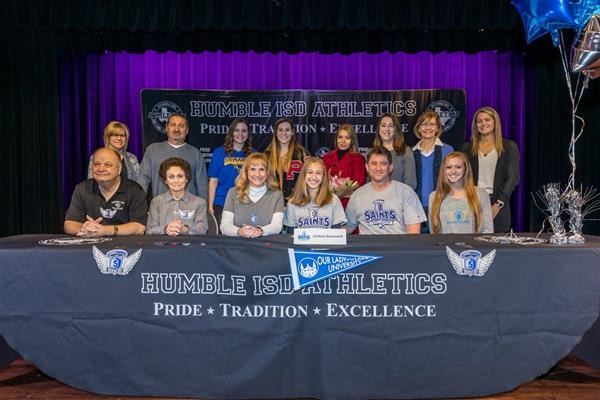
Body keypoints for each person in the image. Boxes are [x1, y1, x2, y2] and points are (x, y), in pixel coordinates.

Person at [64, 148, 147, 237]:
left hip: (124, 247)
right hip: (90, 245)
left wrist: (105, 230)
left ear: (119, 169)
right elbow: (69, 224)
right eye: (96, 164)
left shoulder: (135, 190)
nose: (101, 168)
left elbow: (139, 227)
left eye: (108, 165)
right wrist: (84, 228)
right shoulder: (82, 188)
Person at [462, 106, 520, 233]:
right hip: (472, 201)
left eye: (487, 120)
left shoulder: (509, 147)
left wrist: (498, 205)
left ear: (495, 122)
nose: (483, 123)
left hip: (498, 203)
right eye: (479, 121)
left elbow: (512, 178)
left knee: (497, 245)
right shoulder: (467, 149)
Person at [345, 146, 426, 235]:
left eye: (383, 163)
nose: (378, 168)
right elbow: (347, 228)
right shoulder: (357, 196)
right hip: (367, 248)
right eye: (374, 163)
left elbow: (414, 233)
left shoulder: (406, 192)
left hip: (397, 248)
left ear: (390, 167)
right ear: (367, 167)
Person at [137, 114, 208, 200]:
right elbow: (143, 180)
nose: (177, 129)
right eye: (173, 125)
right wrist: (138, 204)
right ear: (166, 128)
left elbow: (202, 186)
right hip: (160, 208)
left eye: (181, 126)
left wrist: (203, 209)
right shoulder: (152, 150)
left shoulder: (196, 154)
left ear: (187, 130)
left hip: (189, 209)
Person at [220, 153, 284, 237]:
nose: (257, 174)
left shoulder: (277, 195)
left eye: (262, 169)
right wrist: (240, 231)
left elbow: (277, 226)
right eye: (253, 169)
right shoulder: (233, 192)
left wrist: (260, 230)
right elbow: (225, 226)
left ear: (268, 172)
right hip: (237, 244)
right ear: (246, 172)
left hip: (266, 245)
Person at [428, 152, 493, 234]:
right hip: (445, 246)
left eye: (458, 167)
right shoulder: (434, 197)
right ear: (443, 170)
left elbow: (488, 230)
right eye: (448, 167)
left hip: (475, 246)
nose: (453, 171)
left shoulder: (481, 195)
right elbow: (434, 233)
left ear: (465, 169)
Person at [412, 111, 454, 232]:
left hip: (442, 205)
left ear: (437, 128)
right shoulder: (411, 152)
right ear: (419, 128)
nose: (428, 127)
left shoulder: (448, 150)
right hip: (416, 207)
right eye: (424, 124)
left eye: (432, 124)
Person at [207, 118, 254, 224]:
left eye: (244, 131)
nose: (240, 134)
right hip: (221, 203)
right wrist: (210, 206)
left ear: (248, 134)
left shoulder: (253, 155)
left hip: (245, 203)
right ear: (231, 132)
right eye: (237, 130)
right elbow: (213, 181)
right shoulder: (219, 153)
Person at [146, 157, 208, 235]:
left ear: (186, 178)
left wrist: (185, 229)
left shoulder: (200, 202)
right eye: (171, 177)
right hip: (163, 246)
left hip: (191, 246)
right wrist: (166, 229)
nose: (176, 181)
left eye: (180, 176)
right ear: (165, 180)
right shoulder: (156, 202)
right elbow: (150, 230)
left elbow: (202, 230)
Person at [284, 157, 346, 231]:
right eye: (310, 172)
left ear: (323, 176)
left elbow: (336, 232)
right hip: (302, 242)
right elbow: (291, 235)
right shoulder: (292, 202)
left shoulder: (333, 199)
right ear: (303, 175)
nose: (314, 177)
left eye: (318, 173)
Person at [322, 123, 366, 208]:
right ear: (336, 139)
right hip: (329, 203)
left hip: (350, 204)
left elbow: (359, 183)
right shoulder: (327, 158)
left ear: (352, 140)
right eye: (340, 137)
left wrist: (343, 192)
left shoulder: (359, 159)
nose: (343, 141)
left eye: (347, 138)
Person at [265, 117, 310, 201]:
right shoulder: (267, 155)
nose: (284, 133)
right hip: (272, 203)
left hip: (297, 202)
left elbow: (310, 178)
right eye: (280, 130)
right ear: (275, 133)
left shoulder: (302, 153)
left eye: (287, 130)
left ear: (292, 132)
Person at [372, 113, 416, 189]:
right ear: (378, 129)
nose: (387, 129)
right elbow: (368, 183)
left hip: (400, 199)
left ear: (396, 129)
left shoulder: (405, 152)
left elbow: (411, 183)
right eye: (383, 125)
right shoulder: (371, 153)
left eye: (391, 126)